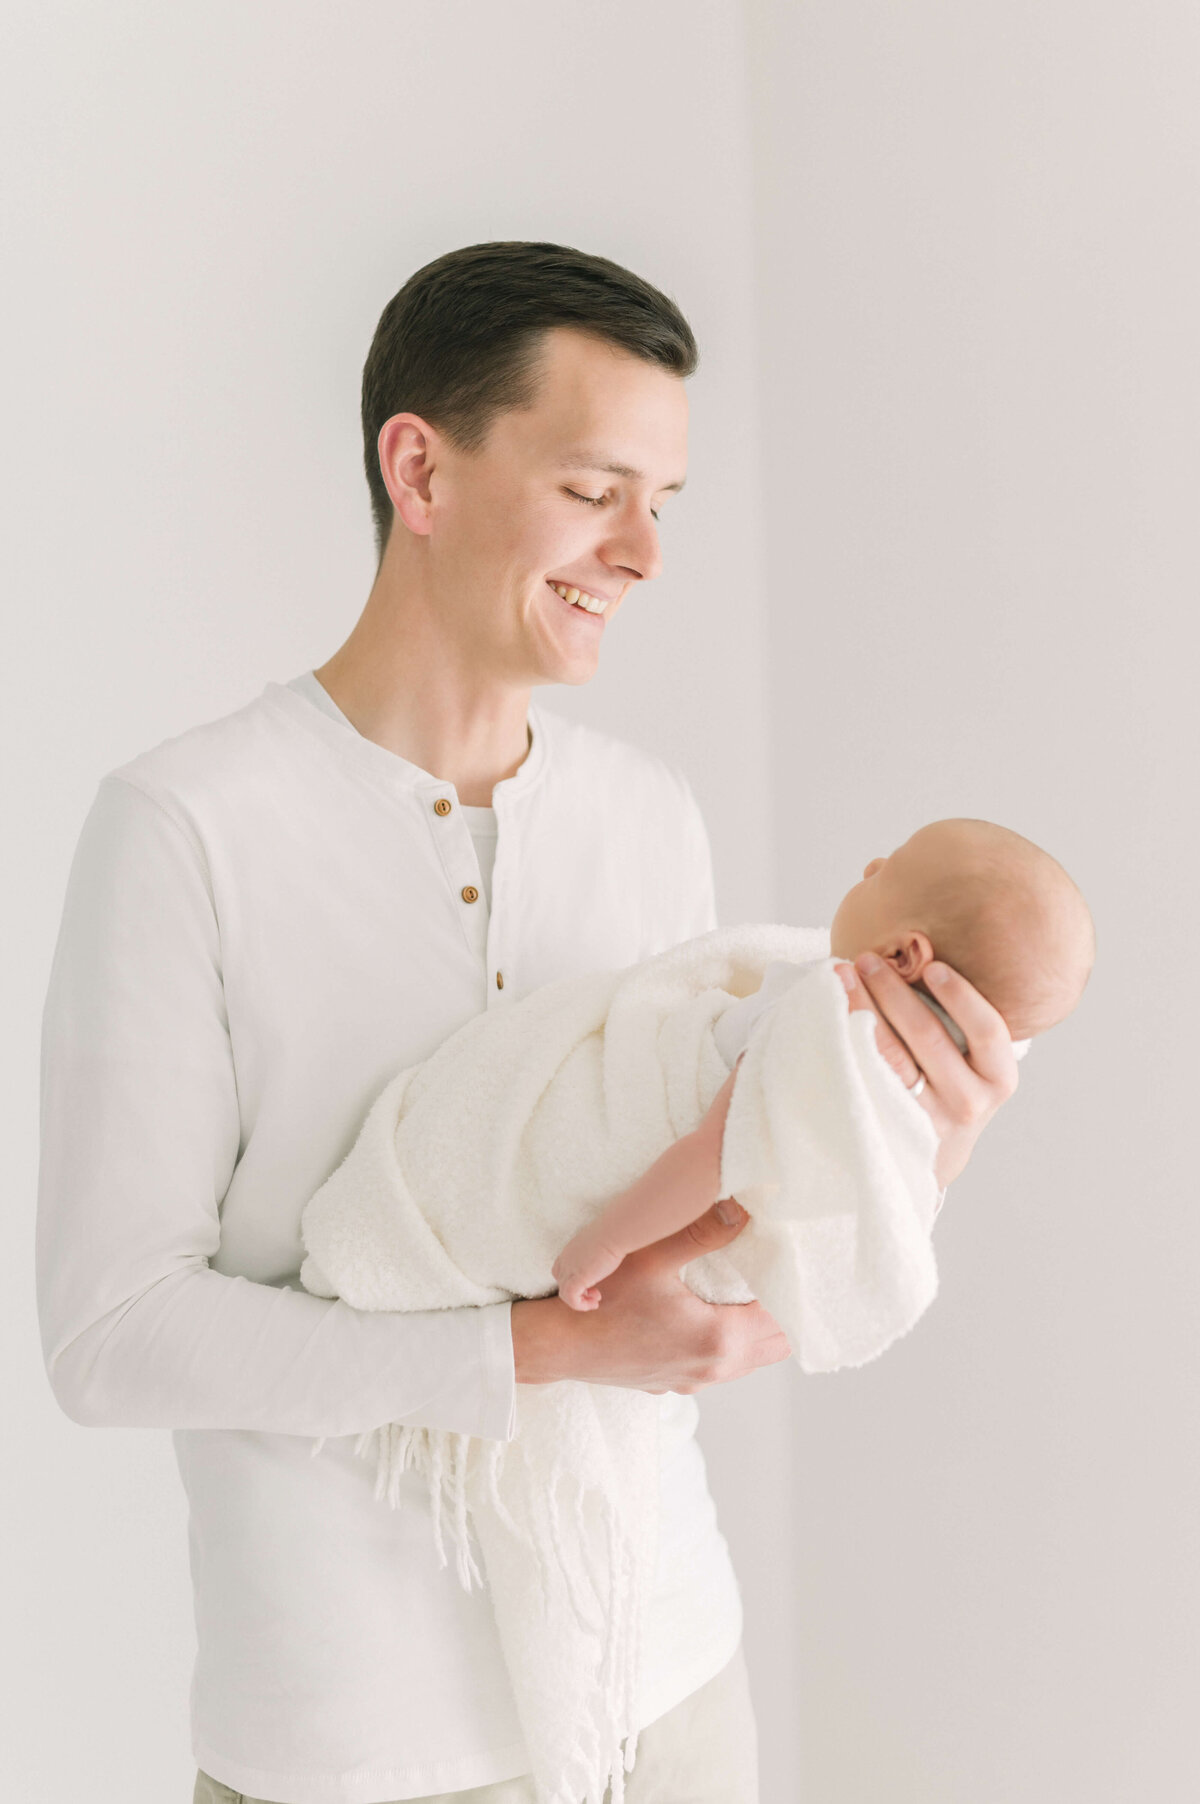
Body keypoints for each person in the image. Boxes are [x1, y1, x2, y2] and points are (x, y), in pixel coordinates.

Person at [36, 242, 1019, 1804]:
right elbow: (110, 1336)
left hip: (669, 1695)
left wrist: (907, 1151)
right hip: (349, 1750)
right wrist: (531, 1352)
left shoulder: (648, 819)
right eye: (593, 489)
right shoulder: (185, 828)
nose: (641, 551)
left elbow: (707, 1277)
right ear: (419, 468)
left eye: (664, 504)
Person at [553, 817, 1094, 1307]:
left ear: (903, 956)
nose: (871, 866)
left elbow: (716, 1153)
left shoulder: (828, 1036)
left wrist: (609, 1240)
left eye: (890, 871)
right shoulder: (903, 1073)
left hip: (657, 1215)